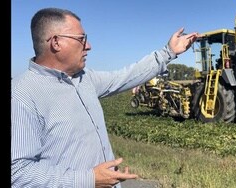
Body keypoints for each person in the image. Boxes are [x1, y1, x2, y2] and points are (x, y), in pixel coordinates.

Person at [11, 7, 199, 188]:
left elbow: (126, 76)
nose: (89, 46)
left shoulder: (85, 79)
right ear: (56, 42)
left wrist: (168, 52)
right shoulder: (22, 95)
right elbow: (17, 173)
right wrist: (89, 180)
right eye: (82, 39)